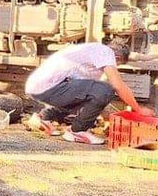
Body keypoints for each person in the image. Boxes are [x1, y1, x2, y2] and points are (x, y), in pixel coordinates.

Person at [24, 42, 155, 144]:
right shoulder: (106, 52)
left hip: (39, 87)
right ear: (117, 57)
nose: (114, 67)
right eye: (117, 64)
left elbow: (86, 98)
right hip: (47, 88)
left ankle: (43, 118)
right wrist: (138, 109)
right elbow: (118, 85)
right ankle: (78, 131)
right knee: (107, 90)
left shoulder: (90, 53)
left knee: (89, 95)